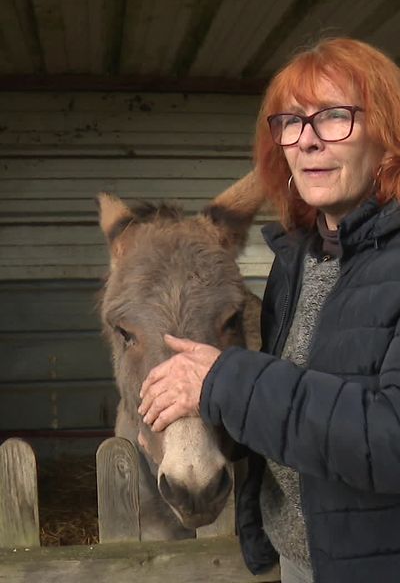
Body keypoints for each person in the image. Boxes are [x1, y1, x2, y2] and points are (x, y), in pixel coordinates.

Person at [138, 37, 400, 583]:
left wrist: (223, 379)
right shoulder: (296, 261)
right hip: (303, 560)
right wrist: (188, 423)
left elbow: (390, 437)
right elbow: (297, 409)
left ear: (387, 131)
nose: (306, 141)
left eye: (333, 117)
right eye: (290, 122)